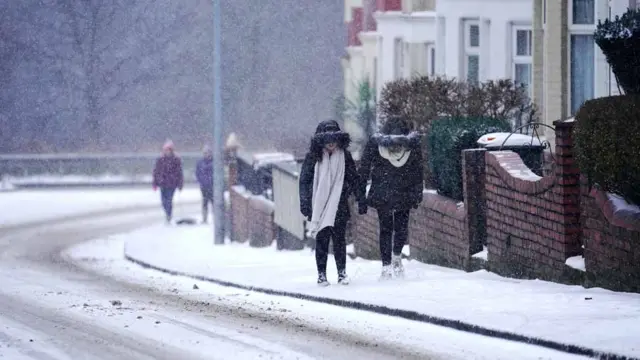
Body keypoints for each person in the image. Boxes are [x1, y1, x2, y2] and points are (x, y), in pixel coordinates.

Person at [358, 117, 423, 280]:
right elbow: (418, 171)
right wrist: (417, 193)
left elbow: (364, 169)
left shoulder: (376, 144)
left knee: (385, 229)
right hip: (404, 191)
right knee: (401, 227)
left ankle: (386, 266)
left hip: (383, 192)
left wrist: (361, 195)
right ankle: (396, 258)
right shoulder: (412, 146)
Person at [299, 120, 362, 286]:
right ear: (321, 141)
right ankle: (321, 275)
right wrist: (305, 203)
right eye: (327, 141)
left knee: (340, 241)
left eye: (333, 140)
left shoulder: (345, 156)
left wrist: (358, 196)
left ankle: (342, 273)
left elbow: (353, 178)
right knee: (322, 242)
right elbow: (304, 181)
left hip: (339, 205)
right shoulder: (312, 158)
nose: (331, 144)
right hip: (318, 206)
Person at [153, 140, 184, 223]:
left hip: (172, 183)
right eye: (166, 150)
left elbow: (179, 173)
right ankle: (167, 213)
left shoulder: (176, 160)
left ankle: (169, 215)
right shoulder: (160, 160)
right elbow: (156, 172)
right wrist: (155, 183)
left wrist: (180, 184)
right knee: (163, 201)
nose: (168, 152)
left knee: (169, 200)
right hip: (162, 183)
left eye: (169, 150)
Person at [196, 145, 214, 223]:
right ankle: (204, 218)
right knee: (205, 202)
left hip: (213, 186)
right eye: (205, 153)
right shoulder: (200, 162)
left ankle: (215, 218)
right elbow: (197, 173)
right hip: (204, 186)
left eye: (208, 152)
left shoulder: (214, 162)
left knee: (214, 203)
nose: (206, 154)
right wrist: (201, 181)